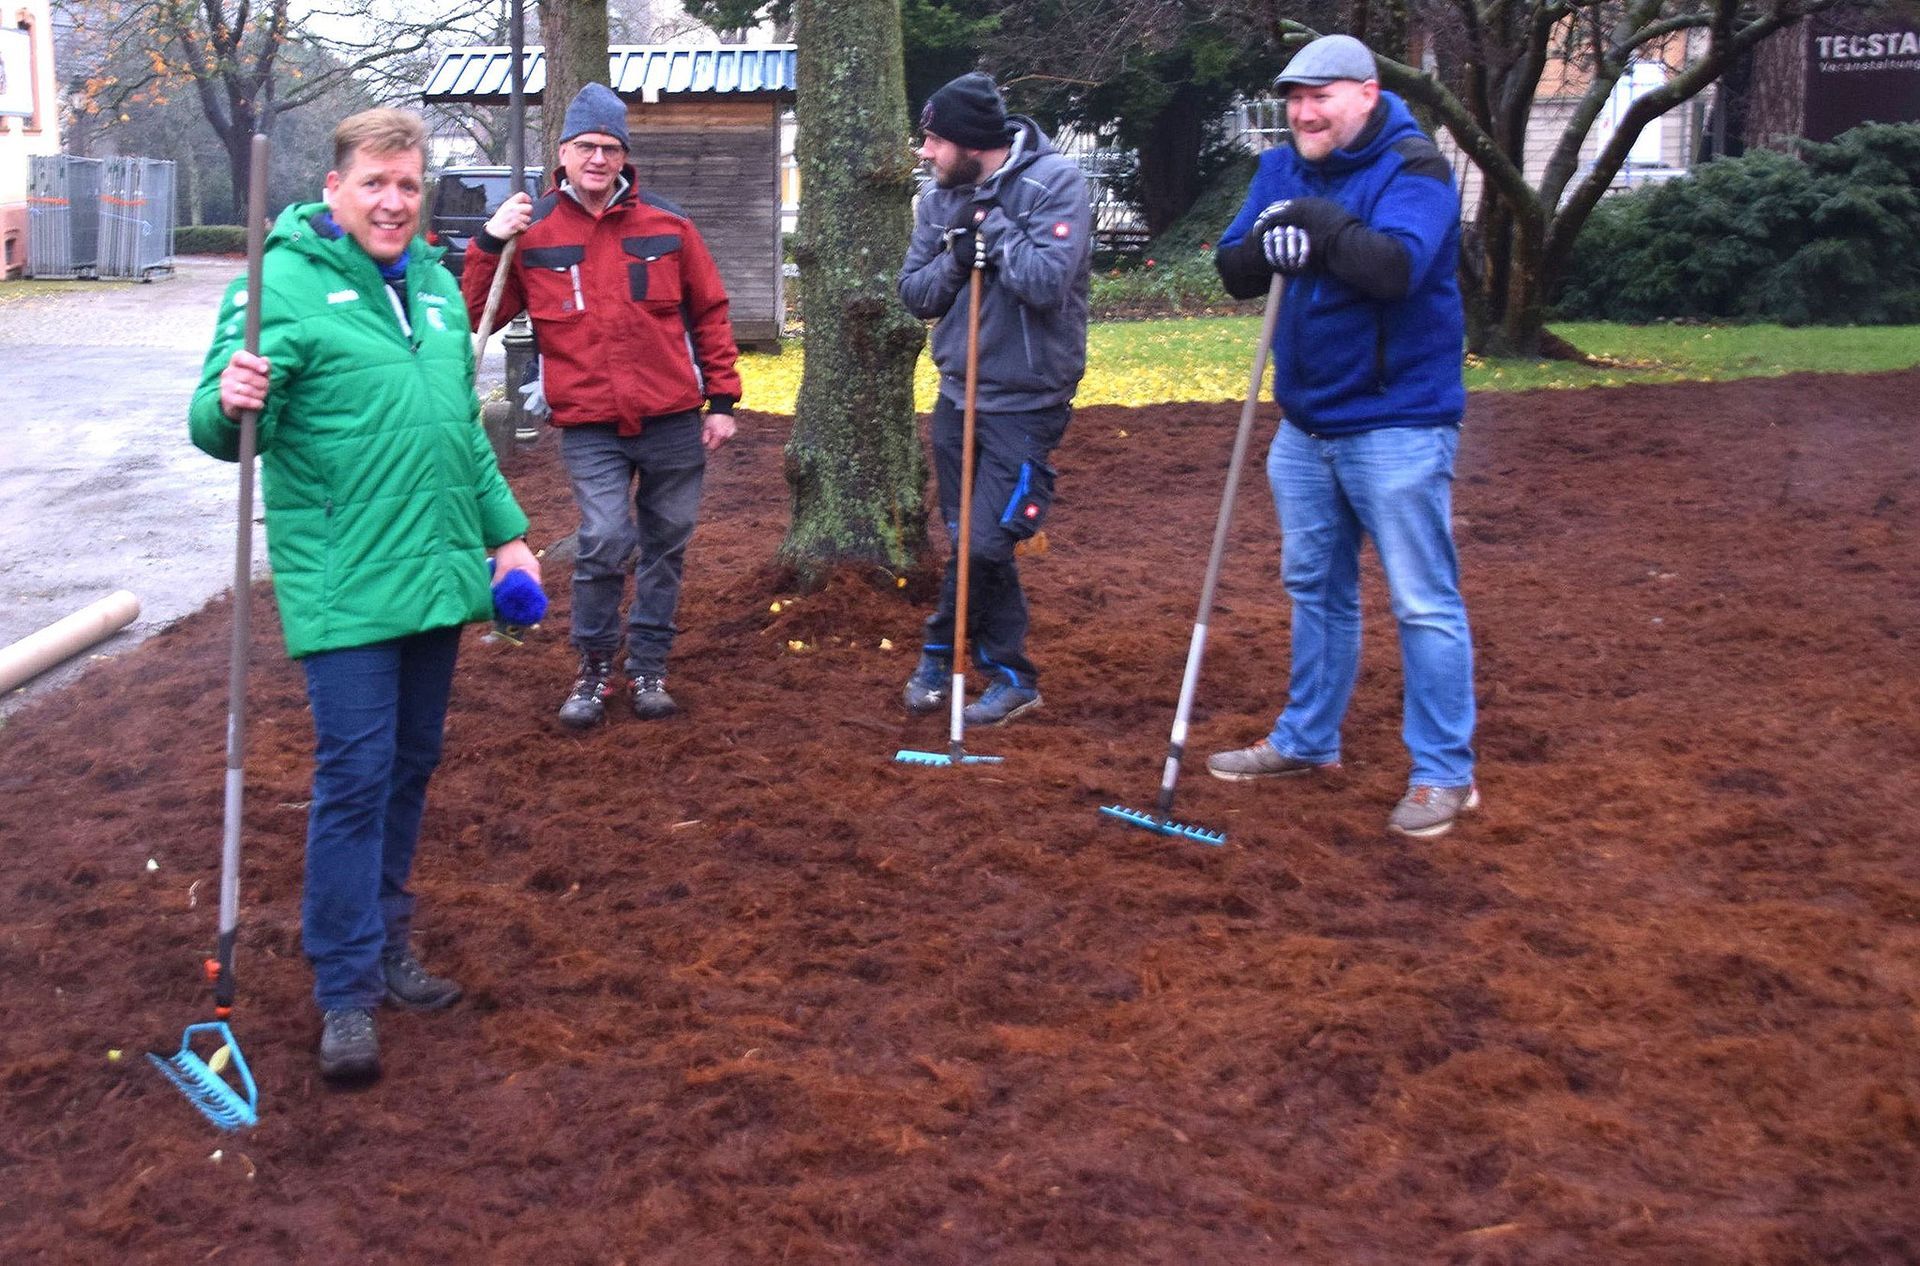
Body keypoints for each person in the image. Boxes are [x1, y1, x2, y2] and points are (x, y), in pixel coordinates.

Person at [189, 108, 541, 1081]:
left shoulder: (432, 285)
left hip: (433, 572)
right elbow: (216, 427)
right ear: (335, 189)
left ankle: (386, 942)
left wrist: (508, 540)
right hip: (344, 580)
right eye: (376, 183)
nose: (393, 201)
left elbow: (458, 429)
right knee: (356, 775)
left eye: (407, 184)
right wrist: (233, 399)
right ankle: (343, 990)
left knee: (411, 766)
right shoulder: (278, 287)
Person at [1207, 34, 1479, 838]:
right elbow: (1231, 267)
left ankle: (1444, 775)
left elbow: (1395, 267)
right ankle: (1306, 740)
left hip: (1398, 421)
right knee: (1315, 591)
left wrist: (1320, 225)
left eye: (1319, 96)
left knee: (1423, 602)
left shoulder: (1414, 167)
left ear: (1365, 93)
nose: (1302, 112)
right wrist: (1267, 242)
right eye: (1293, 98)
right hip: (1306, 424)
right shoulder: (1277, 167)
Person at [462, 83, 741, 729]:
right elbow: (479, 313)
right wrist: (487, 241)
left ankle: (648, 667)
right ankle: (592, 668)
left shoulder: (668, 226)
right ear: (561, 153)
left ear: (624, 157)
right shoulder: (533, 233)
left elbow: (711, 310)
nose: (597, 158)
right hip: (590, 425)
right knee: (605, 539)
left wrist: (722, 397)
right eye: (586, 146)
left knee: (667, 545)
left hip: (671, 416)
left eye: (610, 148)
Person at [897, 72, 1092, 726]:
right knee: (968, 540)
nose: (924, 152)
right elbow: (916, 293)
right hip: (958, 396)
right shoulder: (938, 199)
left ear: (970, 142)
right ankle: (1004, 673)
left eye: (932, 140)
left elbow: (1045, 281)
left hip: (1028, 401)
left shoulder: (1054, 183)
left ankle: (943, 650)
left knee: (984, 543)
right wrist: (958, 258)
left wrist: (996, 232)